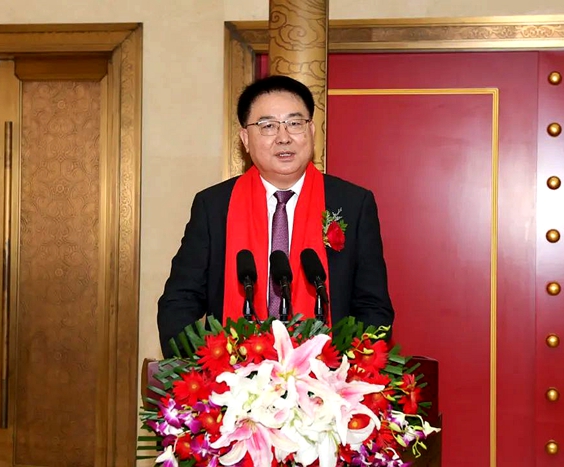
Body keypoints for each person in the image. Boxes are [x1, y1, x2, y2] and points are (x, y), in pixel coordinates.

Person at [157, 75, 394, 357]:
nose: (284, 137)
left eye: (295, 123)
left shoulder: (353, 204)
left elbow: (372, 306)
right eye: (268, 126)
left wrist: (346, 371)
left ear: (311, 131)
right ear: (245, 139)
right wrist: (202, 367)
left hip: (327, 375)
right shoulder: (214, 205)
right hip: (232, 377)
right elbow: (180, 302)